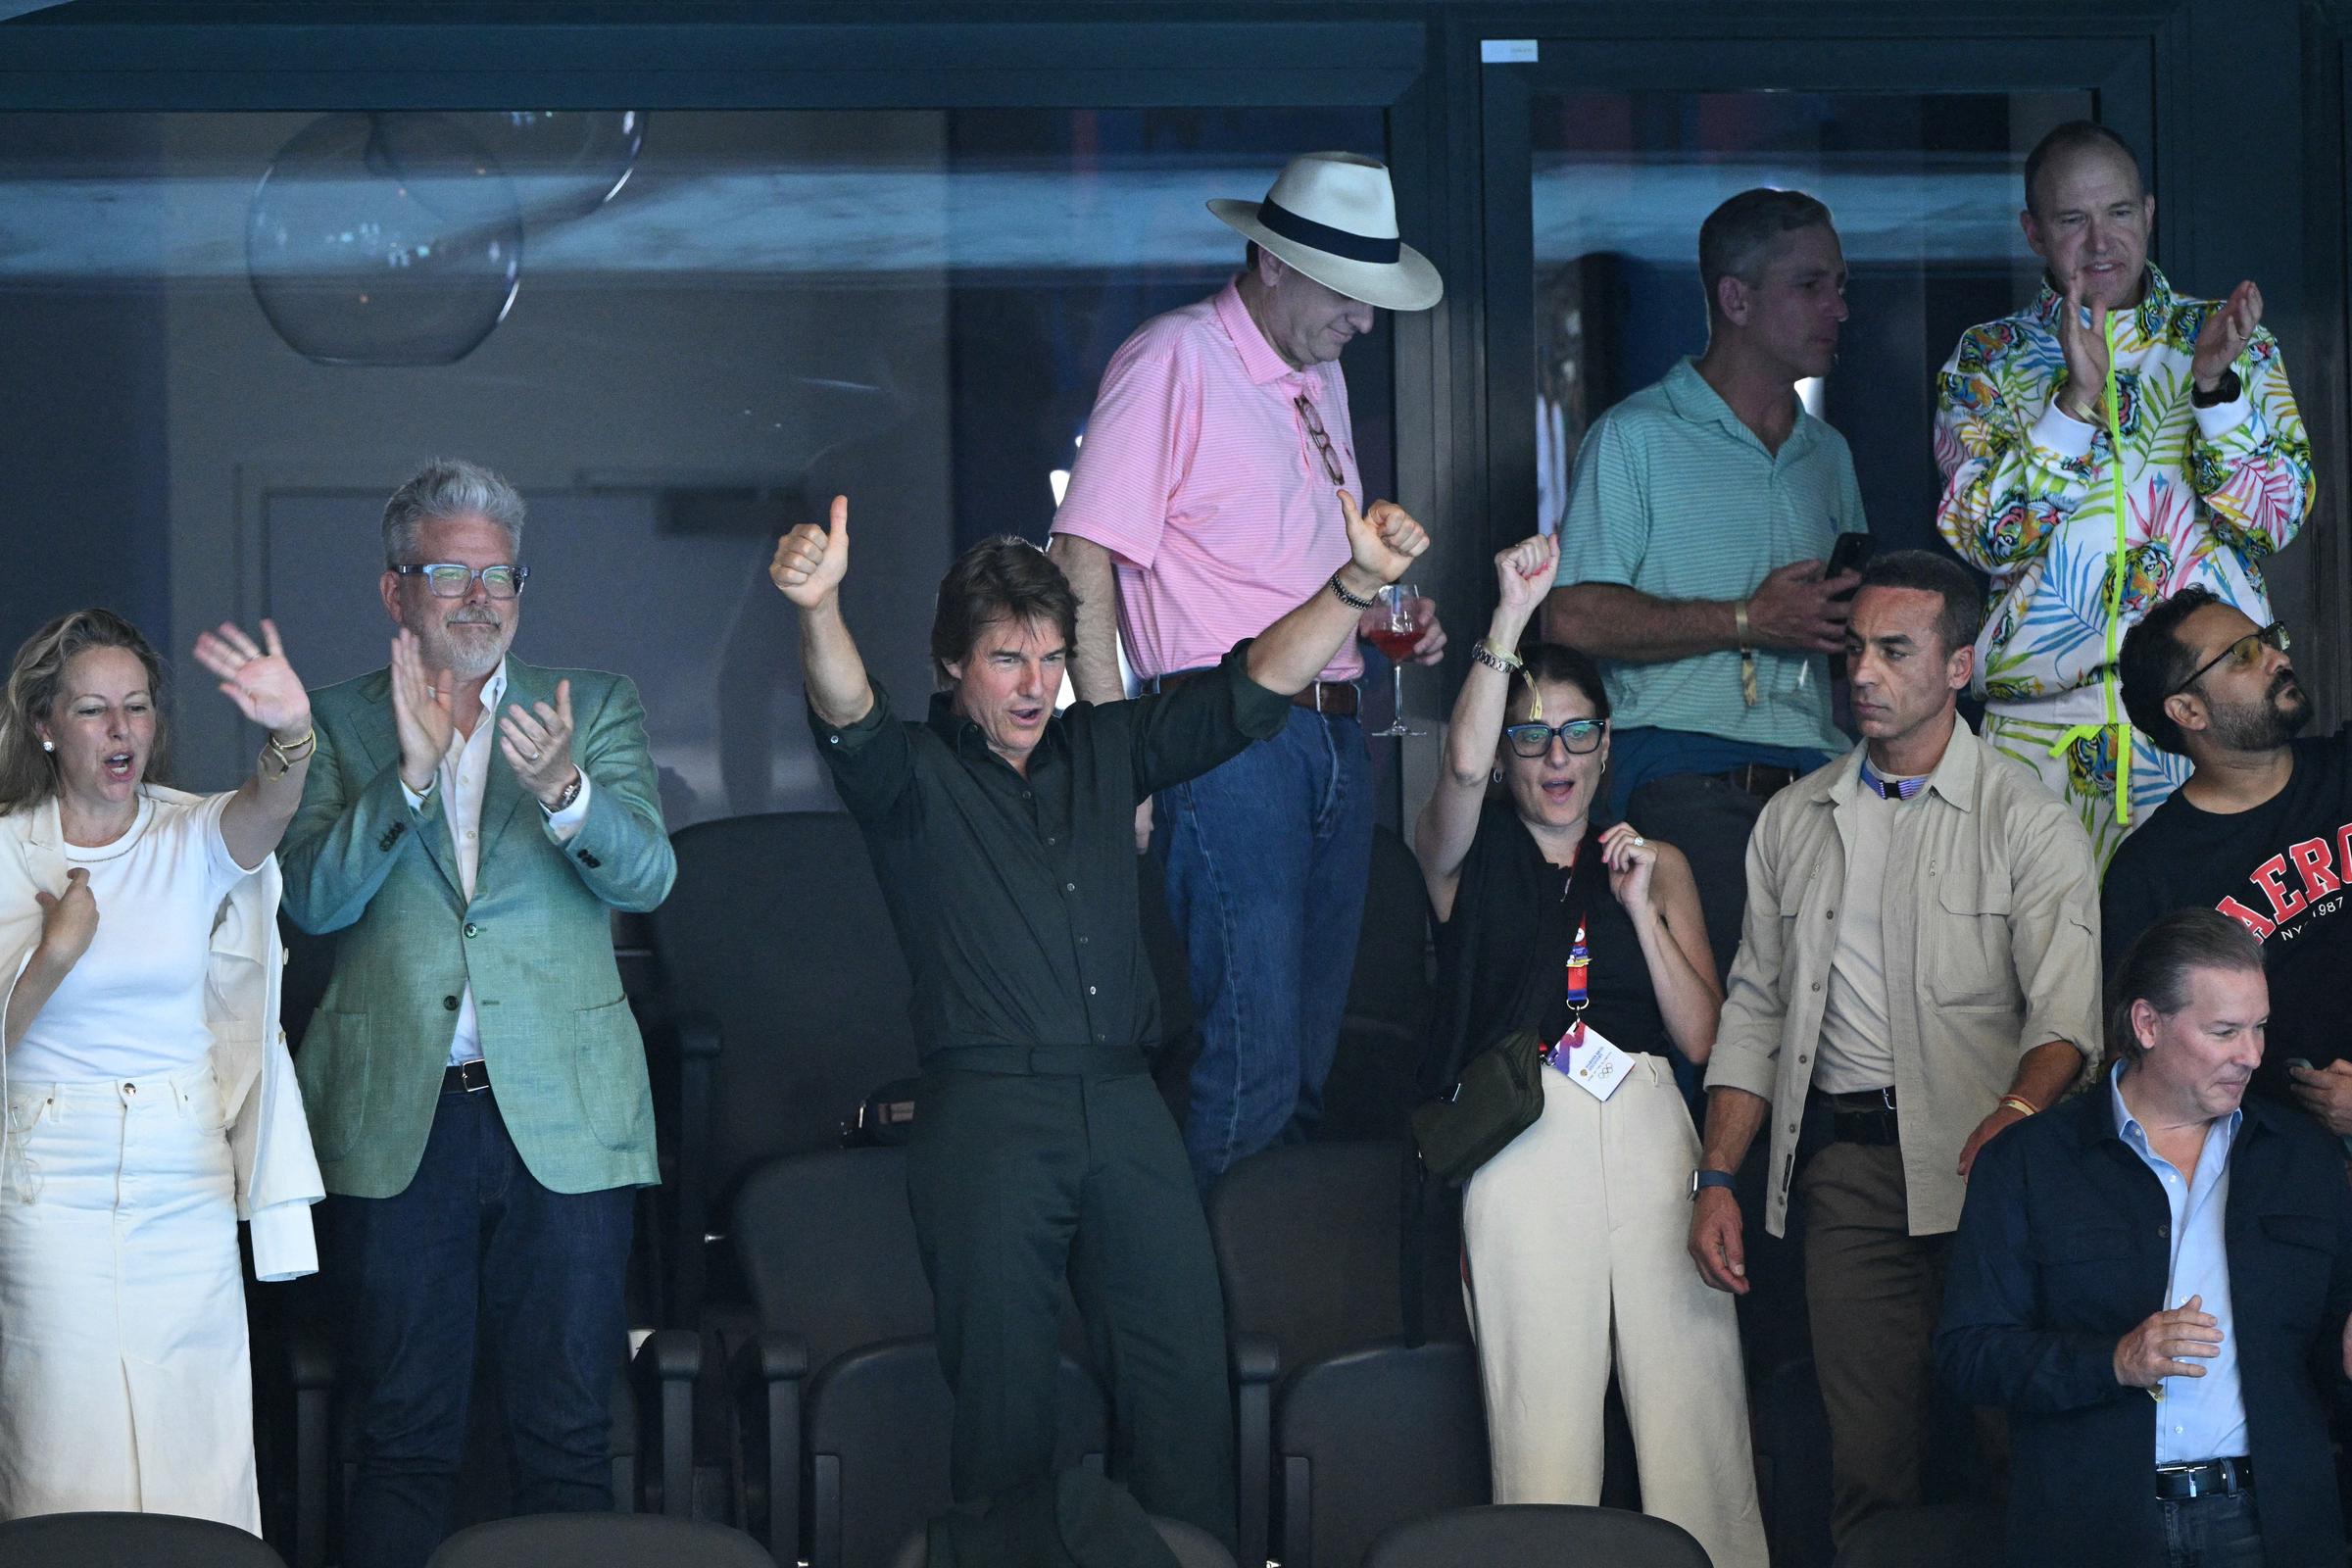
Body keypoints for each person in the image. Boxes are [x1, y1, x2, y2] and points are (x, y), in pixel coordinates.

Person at [777, 484, 1431, 1546]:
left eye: (1049, 658)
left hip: (1125, 1106)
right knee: (1005, 1421)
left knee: (1186, 1391)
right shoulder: (913, 777)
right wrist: (817, 608)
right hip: (989, 1114)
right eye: (1007, 660)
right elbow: (845, 705)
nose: (1036, 686)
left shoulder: (1108, 746)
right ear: (953, 665)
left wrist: (1355, 584)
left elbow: (1255, 683)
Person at [279, 460, 676, 1568]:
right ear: (393, 590)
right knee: (404, 1440)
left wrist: (566, 794)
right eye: (447, 569)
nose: (478, 595)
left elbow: (649, 878)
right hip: (404, 1124)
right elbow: (312, 899)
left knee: (567, 1437)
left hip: (565, 1125)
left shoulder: (589, 708)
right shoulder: (332, 723)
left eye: (498, 574)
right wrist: (404, 782)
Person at [1686, 550, 2103, 1545]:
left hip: (1995, 1175)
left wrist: (2015, 1115)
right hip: (1852, 1179)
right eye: (1856, 649)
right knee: (1867, 1469)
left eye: (1894, 650)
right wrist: (1715, 1177)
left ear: (1959, 666)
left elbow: (2067, 1024)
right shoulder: (1795, 818)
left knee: (2022, 1453)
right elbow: (1755, 1009)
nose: (1862, 673)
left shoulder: (2029, 820)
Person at [1048, 149, 1446, 1186]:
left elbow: (1301, 563)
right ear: (1272, 262)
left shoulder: (1322, 376)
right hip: (1223, 740)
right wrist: (1110, 749)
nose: (1364, 320)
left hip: (1331, 730)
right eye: (1348, 294)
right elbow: (1081, 553)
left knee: (1305, 1065)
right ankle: (1189, 1329)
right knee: (1251, 1070)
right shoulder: (1173, 356)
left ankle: (1263, 1315)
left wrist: (1393, 611)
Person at [1415, 532, 1765, 1568]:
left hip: (1656, 1128)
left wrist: (1642, 909)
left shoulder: (1657, 863)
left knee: (1697, 1421)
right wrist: (1510, 619)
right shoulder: (1464, 859)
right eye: (1535, 738)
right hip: (1527, 1133)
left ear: (1610, 746)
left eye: (1577, 734)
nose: (1556, 758)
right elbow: (1463, 763)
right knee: (1545, 1433)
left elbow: (1704, 1035)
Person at [0, 607, 323, 1529]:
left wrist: (290, 731)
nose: (120, 731)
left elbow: (270, 808)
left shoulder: (189, 833)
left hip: (181, 1175)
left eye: (136, 709)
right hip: (45, 1178)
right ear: (46, 725)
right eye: (95, 710)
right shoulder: (6, 847)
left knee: (198, 1445)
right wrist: (53, 958)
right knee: (62, 1438)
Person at [1935, 121, 2315, 865]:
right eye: (2072, 220)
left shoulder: (2231, 339)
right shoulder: (1988, 359)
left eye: (2117, 213)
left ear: (2149, 213)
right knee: (2049, 970)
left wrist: (2216, 389)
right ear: (2033, 232)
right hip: (2040, 729)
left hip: (2207, 723)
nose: (2099, 241)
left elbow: (2276, 519)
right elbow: (1985, 537)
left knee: (2215, 961)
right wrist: (2074, 406)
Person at [1939, 908, 2352, 1568]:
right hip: (2093, 1527)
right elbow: (1968, 1355)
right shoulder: (2027, 1162)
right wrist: (2114, 1360)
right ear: (2147, 1024)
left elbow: (2328, 1354)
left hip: (2270, 1525)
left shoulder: (2302, 1160)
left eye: (2259, 1028)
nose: (2252, 1054)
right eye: (2224, 1031)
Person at [1542, 186, 1867, 993]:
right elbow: (1571, 616)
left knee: (1851, 1024)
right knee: (1732, 1029)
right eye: (1811, 286)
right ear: (1736, 299)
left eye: (1841, 286)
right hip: (1684, 773)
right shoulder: (1634, 436)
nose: (1839, 308)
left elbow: (1841, 641)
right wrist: (1749, 619)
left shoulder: (1829, 455)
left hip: (1825, 777)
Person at [2106, 588, 2352, 1133]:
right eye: (2243, 654)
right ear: (2188, 709)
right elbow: (2153, 1070)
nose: (2278, 657)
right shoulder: (2148, 876)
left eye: (2268, 640)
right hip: (2278, 1167)